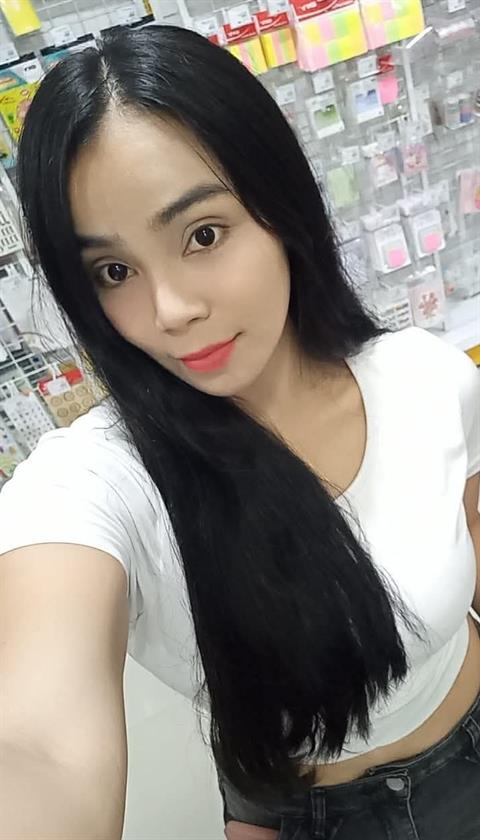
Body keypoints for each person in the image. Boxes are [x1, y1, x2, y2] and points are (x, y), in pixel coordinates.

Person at [0, 25, 479, 840]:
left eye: (203, 235)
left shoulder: (426, 376)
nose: (170, 310)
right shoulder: (98, 482)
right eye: (113, 272)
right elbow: (38, 746)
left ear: (281, 208)